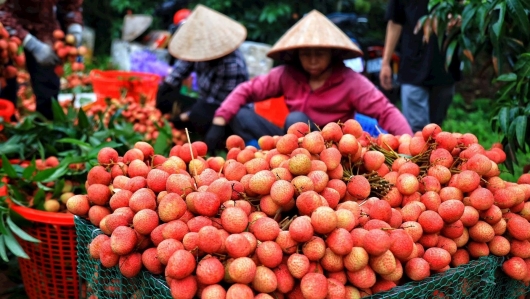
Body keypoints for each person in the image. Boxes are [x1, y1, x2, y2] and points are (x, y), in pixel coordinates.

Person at [206, 10, 413, 149]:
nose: (313, 61)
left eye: (320, 54)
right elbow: (247, 90)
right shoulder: (287, 75)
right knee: (240, 115)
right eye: (306, 54)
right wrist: (219, 120)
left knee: (295, 120)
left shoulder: (351, 81)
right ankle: (281, 159)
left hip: (331, 151)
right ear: (297, 55)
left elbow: (385, 110)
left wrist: (410, 143)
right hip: (290, 145)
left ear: (332, 53)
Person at [156, 4, 248, 147]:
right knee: (171, 97)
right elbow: (180, 69)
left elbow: (219, 104)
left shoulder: (231, 64)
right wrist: (166, 87)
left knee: (199, 114)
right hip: (206, 100)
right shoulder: (197, 49)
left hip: (226, 110)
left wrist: (183, 117)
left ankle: (218, 141)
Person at [380, 0, 461, 133]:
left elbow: (468, 9)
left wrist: (460, 18)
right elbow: (395, 21)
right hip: (412, 67)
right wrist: (385, 62)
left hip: (445, 69)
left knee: (436, 130)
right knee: (417, 131)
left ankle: (436, 154)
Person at [0, 0, 83, 120]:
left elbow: (72, 4)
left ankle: (45, 127)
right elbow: (2, 11)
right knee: (5, 79)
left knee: (48, 84)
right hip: (7, 26)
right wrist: (32, 44)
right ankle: (5, 123)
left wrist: (75, 27)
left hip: (44, 24)